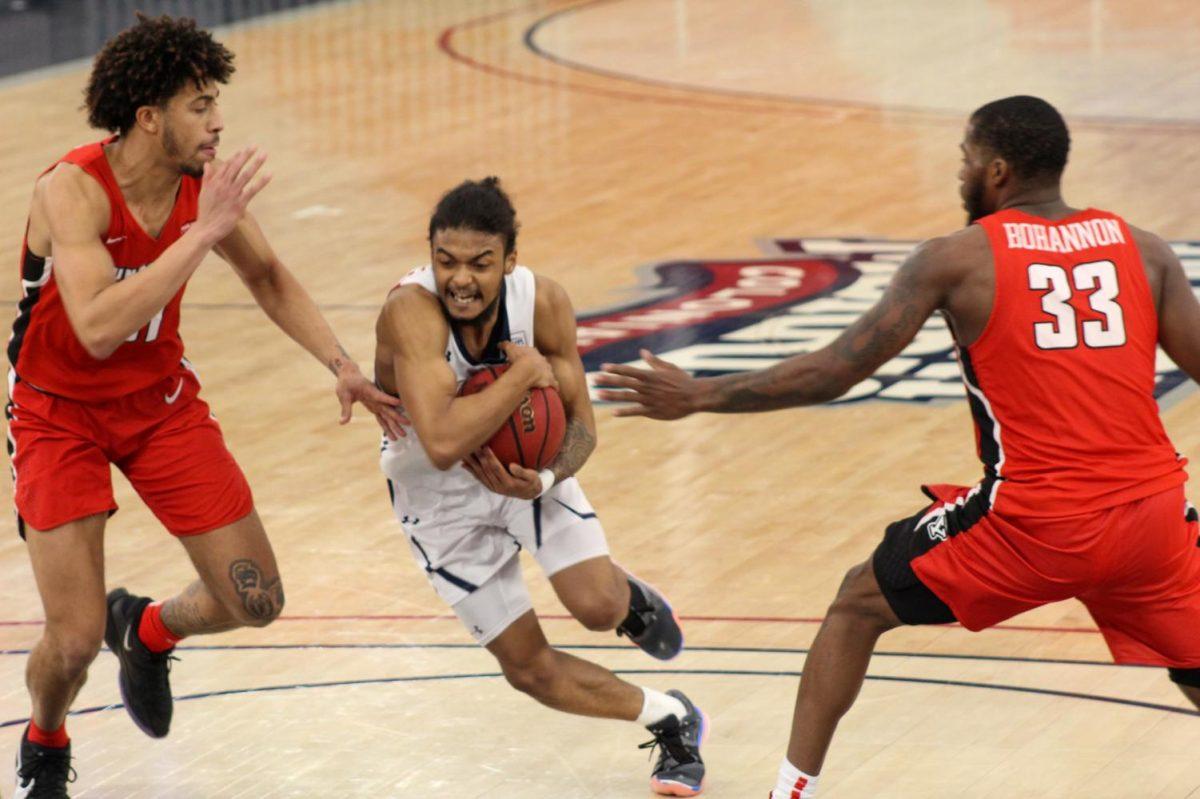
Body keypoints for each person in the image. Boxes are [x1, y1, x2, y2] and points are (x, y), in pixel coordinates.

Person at [596, 95, 1200, 798]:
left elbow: (837, 369)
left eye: (966, 160)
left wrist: (702, 394)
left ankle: (789, 792)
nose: (960, 174)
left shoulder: (954, 260)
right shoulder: (1145, 249)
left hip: (1040, 522)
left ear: (997, 170)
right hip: (1153, 517)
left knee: (857, 603)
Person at [8, 14, 405, 797]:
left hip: (158, 403)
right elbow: (92, 327)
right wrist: (202, 234)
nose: (218, 120)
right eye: (200, 103)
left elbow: (267, 275)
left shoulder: (199, 194)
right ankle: (46, 737)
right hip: (57, 412)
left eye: (216, 100)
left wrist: (342, 364)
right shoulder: (71, 188)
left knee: (255, 599)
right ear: (149, 116)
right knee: (75, 637)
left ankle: (148, 630)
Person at [374, 177, 707, 796]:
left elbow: (582, 429)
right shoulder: (408, 312)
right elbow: (444, 445)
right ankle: (671, 717)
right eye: (446, 262)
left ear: (510, 261)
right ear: (430, 256)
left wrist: (548, 477)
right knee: (527, 670)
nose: (461, 280)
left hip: (530, 472)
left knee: (598, 608)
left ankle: (626, 598)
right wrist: (524, 372)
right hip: (436, 494)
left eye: (480, 263)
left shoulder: (543, 303)